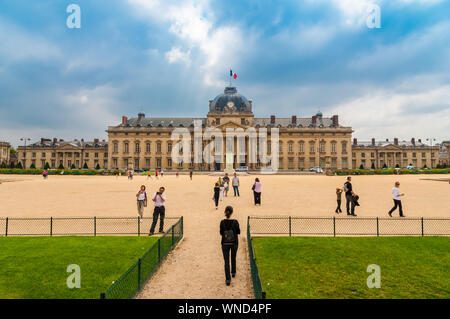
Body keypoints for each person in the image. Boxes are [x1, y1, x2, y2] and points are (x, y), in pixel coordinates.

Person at [220, 206, 240, 286]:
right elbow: (238, 232)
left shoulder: (222, 222)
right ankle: (233, 272)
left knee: (226, 261)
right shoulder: (235, 222)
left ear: (225, 212)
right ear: (232, 212)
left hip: (225, 243)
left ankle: (228, 279)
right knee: (233, 257)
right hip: (234, 242)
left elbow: (221, 233)